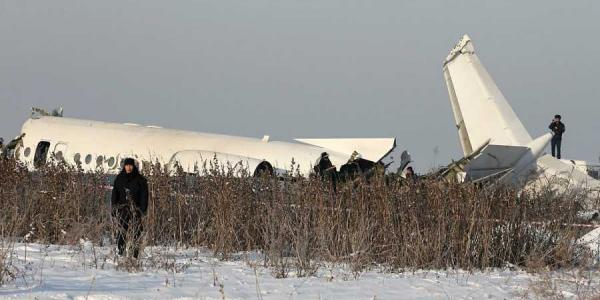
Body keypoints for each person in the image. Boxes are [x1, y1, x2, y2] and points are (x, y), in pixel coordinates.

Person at [111, 158, 149, 258]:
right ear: (124, 166)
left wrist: (143, 210)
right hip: (123, 208)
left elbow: (144, 196)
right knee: (122, 230)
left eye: (130, 165)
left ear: (133, 166)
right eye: (127, 165)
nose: (128, 167)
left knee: (137, 230)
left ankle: (135, 253)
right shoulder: (119, 178)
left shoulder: (140, 179)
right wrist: (114, 208)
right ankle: (121, 251)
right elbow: (115, 194)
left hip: (136, 209)